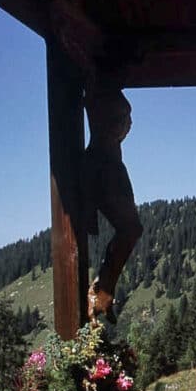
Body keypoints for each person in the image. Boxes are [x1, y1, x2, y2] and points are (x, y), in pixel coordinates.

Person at [81, 84, 143, 323]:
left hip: (110, 164)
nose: (128, 125)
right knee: (131, 228)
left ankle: (103, 287)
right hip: (104, 165)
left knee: (132, 229)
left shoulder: (105, 86)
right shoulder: (99, 86)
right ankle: (102, 288)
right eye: (123, 120)